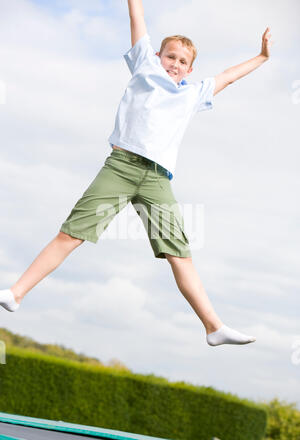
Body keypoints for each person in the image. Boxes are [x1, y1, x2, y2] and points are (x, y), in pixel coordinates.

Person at [0, 1, 273, 346]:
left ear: (190, 68)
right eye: (170, 56)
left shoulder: (193, 94)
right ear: (158, 55)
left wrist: (261, 57)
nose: (175, 64)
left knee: (180, 254)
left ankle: (213, 327)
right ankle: (17, 293)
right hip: (121, 167)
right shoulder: (144, 66)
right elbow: (137, 15)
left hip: (157, 179)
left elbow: (229, 76)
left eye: (182, 61)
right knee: (72, 234)